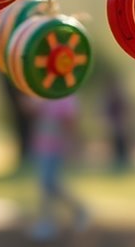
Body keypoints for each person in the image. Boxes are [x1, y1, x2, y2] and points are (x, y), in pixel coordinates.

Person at [28, 95, 89, 242]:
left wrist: (74, 146)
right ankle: (76, 211)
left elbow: (70, 123)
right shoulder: (43, 95)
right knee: (48, 184)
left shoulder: (66, 99)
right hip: (43, 146)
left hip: (57, 147)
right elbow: (29, 109)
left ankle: (49, 222)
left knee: (48, 183)